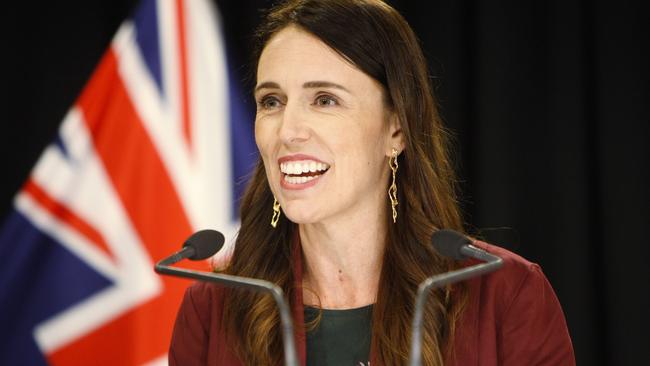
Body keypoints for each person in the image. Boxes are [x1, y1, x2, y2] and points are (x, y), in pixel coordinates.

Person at [168, 0, 575, 365]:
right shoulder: (213, 306)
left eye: (324, 100)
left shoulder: (506, 296)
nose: (287, 131)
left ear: (396, 128)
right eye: (271, 102)